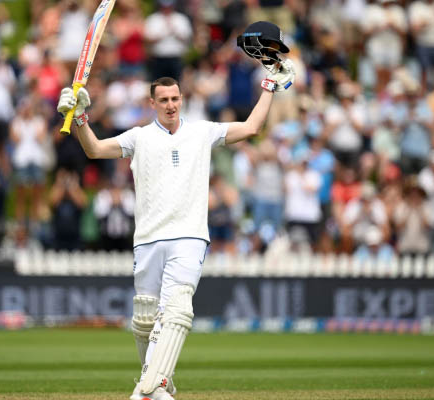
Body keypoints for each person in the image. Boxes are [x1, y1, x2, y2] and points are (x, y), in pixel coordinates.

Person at [57, 21, 295, 400]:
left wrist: (269, 85)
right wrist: (81, 117)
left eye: (175, 99)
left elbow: (251, 127)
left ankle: (146, 389)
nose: (170, 105)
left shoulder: (202, 131)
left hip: (189, 236)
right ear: (152, 103)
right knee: (145, 319)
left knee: (177, 310)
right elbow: (94, 150)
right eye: (164, 100)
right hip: (148, 238)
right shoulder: (138, 136)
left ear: (181, 99)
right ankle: (162, 384)